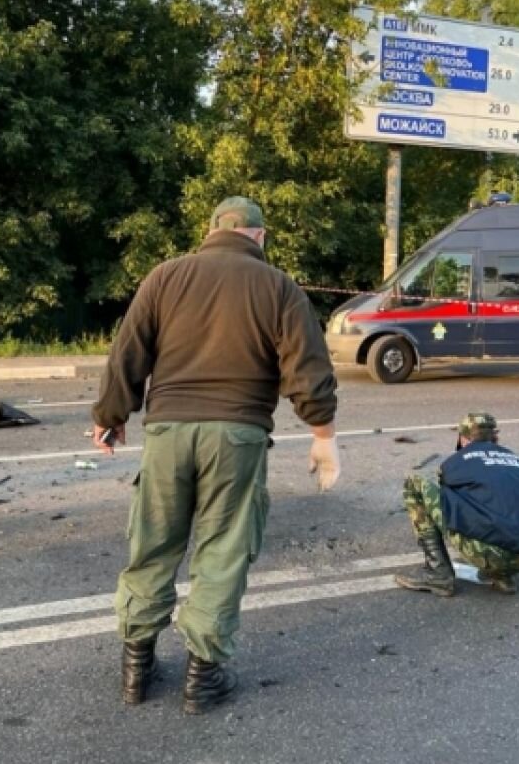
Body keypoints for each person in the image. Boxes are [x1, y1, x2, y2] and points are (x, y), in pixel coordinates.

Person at [91, 196, 340, 714]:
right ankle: (201, 680)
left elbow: (128, 352)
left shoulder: (165, 276)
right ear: (260, 237)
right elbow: (307, 368)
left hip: (166, 433)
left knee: (153, 544)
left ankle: (136, 669)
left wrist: (111, 416)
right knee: (223, 551)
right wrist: (322, 433)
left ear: (209, 232)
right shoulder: (279, 287)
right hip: (238, 434)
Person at [394, 412, 519, 597]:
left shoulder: (458, 460)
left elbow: (448, 491)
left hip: (490, 554)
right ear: (495, 437)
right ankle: (503, 576)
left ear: (463, 438)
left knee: (417, 481)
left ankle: (438, 575)